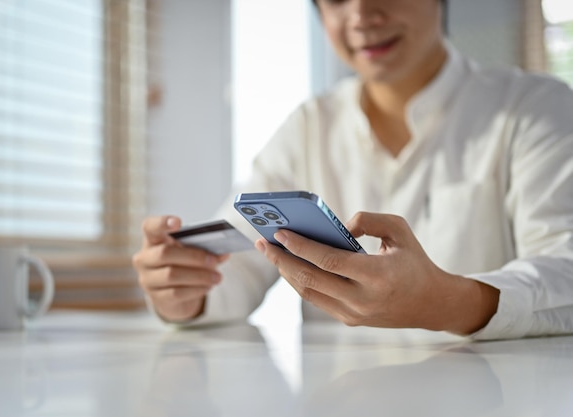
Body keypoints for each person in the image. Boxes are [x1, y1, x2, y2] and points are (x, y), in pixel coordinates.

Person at [133, 0, 573, 340]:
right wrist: (184, 291)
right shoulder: (309, 125)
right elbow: (238, 263)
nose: (362, 14)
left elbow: (565, 270)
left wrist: (444, 302)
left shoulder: (535, 109)